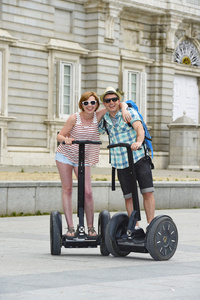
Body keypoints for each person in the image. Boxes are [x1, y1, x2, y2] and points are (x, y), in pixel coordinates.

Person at [56, 91, 130, 237]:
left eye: (92, 102)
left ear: (96, 104)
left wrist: (124, 109)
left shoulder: (98, 115)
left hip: (83, 158)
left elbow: (118, 104)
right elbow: (60, 135)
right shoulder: (74, 118)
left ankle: (90, 228)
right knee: (68, 189)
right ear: (81, 105)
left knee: (88, 192)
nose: (89, 105)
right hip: (65, 155)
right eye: (86, 103)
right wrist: (66, 139)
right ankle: (71, 228)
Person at [98, 87, 155, 228]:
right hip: (120, 162)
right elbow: (94, 126)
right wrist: (106, 110)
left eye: (114, 99)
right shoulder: (105, 120)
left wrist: (139, 142)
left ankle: (151, 225)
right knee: (128, 196)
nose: (111, 102)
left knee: (147, 192)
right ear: (104, 103)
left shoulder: (129, 113)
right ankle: (135, 226)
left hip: (138, 157)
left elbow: (139, 129)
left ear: (119, 100)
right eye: (107, 100)